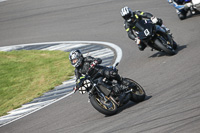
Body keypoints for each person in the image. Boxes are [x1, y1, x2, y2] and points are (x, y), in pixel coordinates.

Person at [69, 50, 133, 93]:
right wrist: (77, 86)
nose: (74, 62)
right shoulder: (77, 70)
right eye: (73, 61)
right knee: (90, 89)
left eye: (75, 60)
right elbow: (78, 79)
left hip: (100, 71)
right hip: (93, 79)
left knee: (111, 73)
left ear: (79, 57)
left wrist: (95, 61)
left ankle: (121, 81)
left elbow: (98, 60)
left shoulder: (87, 59)